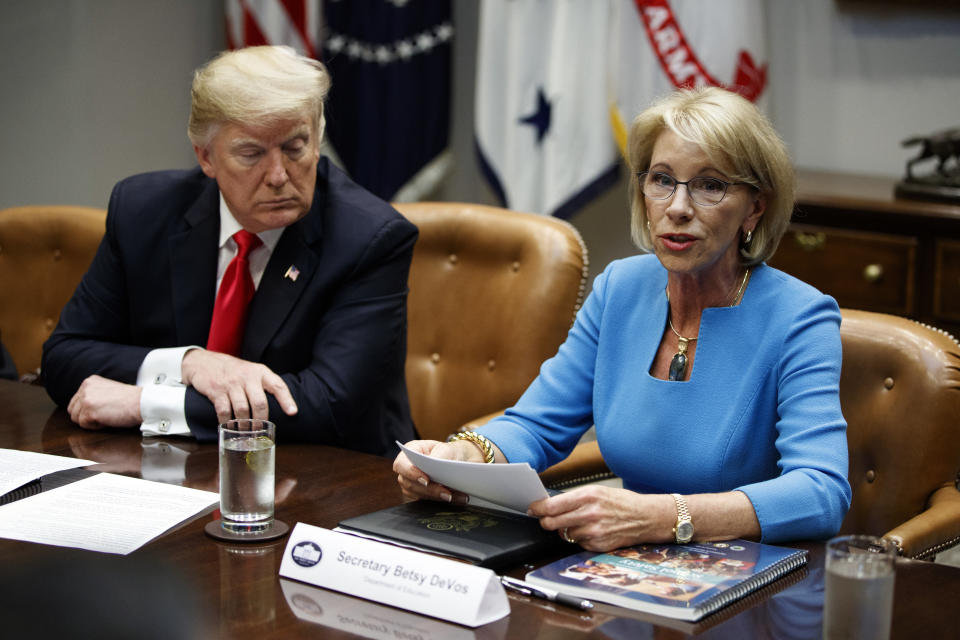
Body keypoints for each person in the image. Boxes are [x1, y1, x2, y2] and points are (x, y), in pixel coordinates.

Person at [394, 86, 851, 549]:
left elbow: (821, 492)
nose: (677, 207)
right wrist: (460, 457)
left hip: (745, 578)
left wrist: (665, 516)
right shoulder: (620, 289)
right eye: (662, 180)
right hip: (622, 565)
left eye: (710, 185)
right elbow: (536, 424)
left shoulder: (800, 319)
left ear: (755, 207)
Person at [42, 46, 418, 457]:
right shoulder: (143, 210)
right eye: (251, 153)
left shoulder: (369, 237)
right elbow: (64, 356)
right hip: (175, 469)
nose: (278, 176)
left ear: (317, 137)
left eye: (295, 147)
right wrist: (189, 364)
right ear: (205, 156)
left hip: (333, 476)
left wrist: (146, 404)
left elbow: (327, 405)